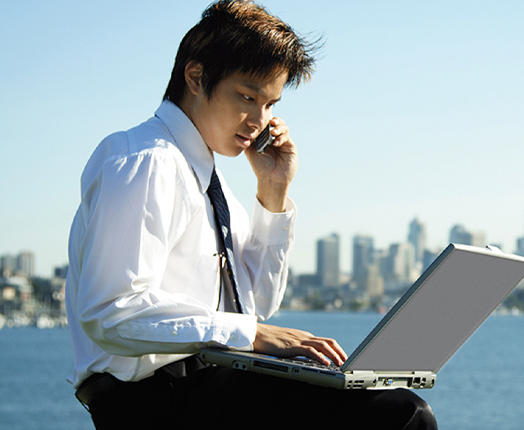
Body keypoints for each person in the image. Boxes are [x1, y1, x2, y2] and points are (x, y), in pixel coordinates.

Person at [65, 1, 438, 429]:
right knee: (401, 415)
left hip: (211, 386)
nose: (260, 121)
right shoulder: (147, 160)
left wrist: (274, 190)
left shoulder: (210, 181)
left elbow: (257, 303)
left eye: (271, 104)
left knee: (384, 402)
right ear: (196, 76)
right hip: (155, 402)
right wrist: (255, 335)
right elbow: (111, 310)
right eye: (248, 97)